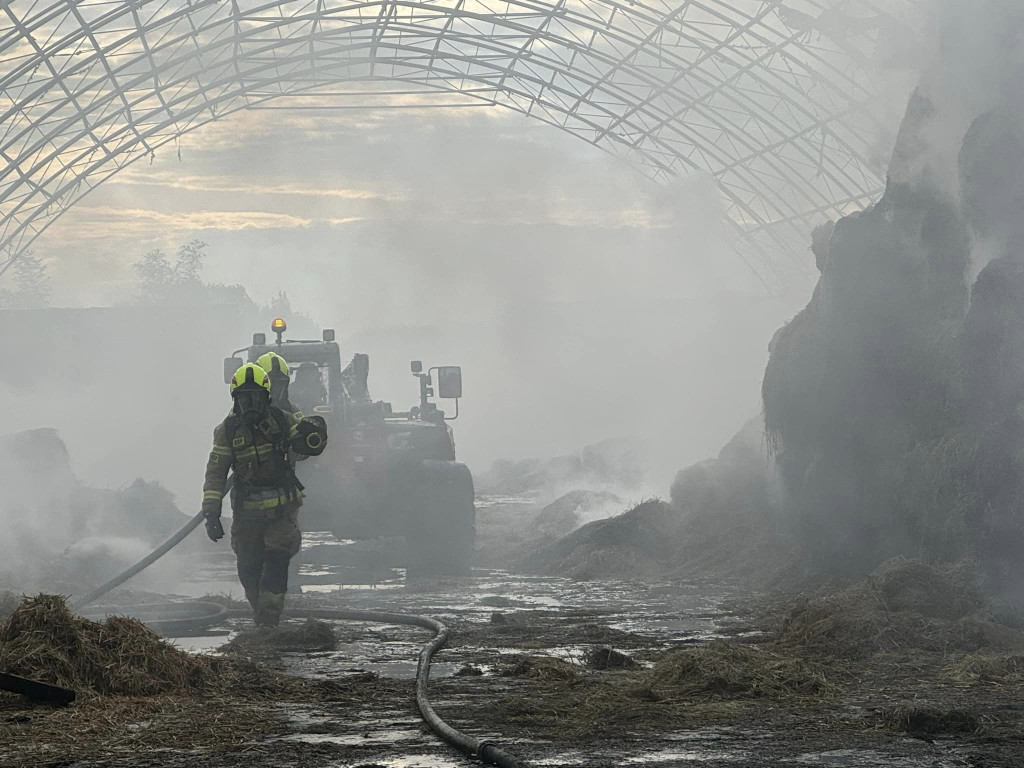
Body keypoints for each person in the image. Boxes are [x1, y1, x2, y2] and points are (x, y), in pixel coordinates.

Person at [202, 363, 328, 626]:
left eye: (256, 397)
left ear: (267, 397)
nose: (250, 404)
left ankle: (268, 625)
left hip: (282, 512)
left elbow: (304, 445)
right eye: (244, 398)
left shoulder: (282, 420)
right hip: (246, 514)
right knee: (248, 568)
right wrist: (211, 513)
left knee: (275, 563)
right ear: (235, 399)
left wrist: (314, 432)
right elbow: (215, 474)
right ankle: (261, 613)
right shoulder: (227, 431)